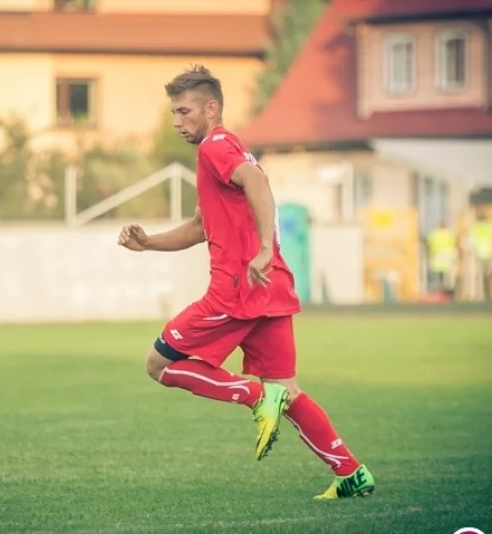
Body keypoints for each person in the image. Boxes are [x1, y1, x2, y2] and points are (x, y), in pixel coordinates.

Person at [117, 65, 374, 501]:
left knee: (158, 366)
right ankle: (350, 472)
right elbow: (202, 226)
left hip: (235, 291)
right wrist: (150, 244)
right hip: (270, 289)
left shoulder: (215, 147)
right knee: (288, 391)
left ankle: (253, 394)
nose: (177, 122)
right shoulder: (229, 147)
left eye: (183, 112)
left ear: (211, 108)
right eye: (174, 113)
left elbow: (258, 182)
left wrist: (262, 251)